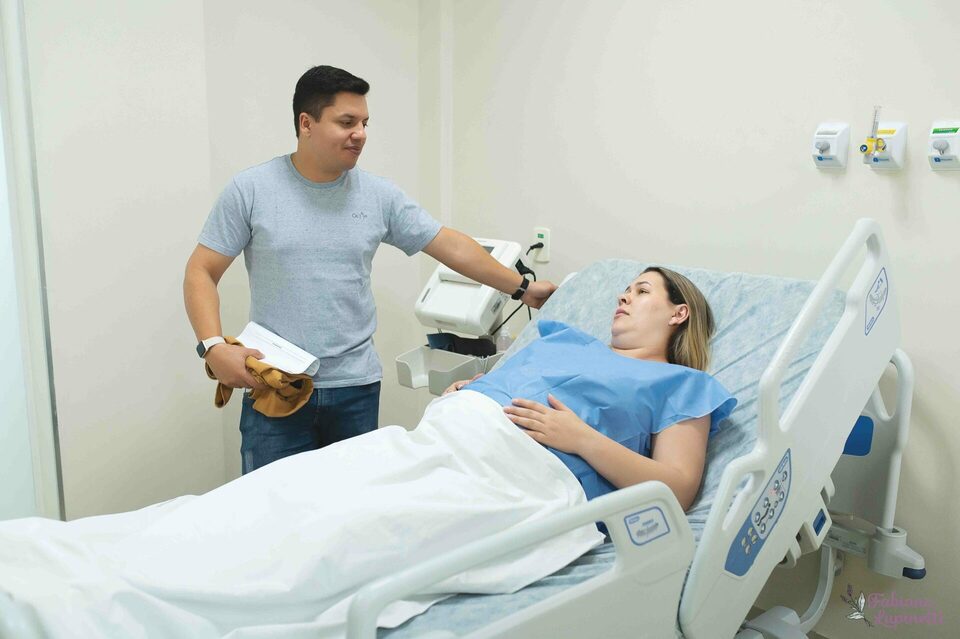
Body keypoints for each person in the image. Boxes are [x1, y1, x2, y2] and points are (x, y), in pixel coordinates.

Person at [2, 267, 735, 638]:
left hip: (515, 480)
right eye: (624, 288)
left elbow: (676, 487)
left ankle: (95, 611)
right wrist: (478, 389)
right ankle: (68, 569)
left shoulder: (682, 385)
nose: (622, 298)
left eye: (642, 291)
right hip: (437, 441)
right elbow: (502, 383)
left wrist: (583, 440)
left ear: (679, 312)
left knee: (326, 539)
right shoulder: (559, 336)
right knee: (272, 497)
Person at [183, 65, 556, 474]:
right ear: (306, 123)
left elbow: (449, 245)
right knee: (271, 508)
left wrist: (523, 288)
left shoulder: (378, 195)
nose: (360, 133)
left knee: (356, 506)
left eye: (364, 123)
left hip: (355, 390)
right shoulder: (252, 189)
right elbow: (202, 270)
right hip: (276, 387)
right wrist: (213, 347)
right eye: (347, 122)